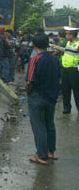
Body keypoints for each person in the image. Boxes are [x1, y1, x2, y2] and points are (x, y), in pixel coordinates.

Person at [26, 33, 60, 165]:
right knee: (49, 124)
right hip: (51, 96)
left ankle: (41, 155)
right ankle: (50, 151)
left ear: (34, 45)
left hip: (38, 96)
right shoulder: (54, 59)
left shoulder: (35, 59)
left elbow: (29, 81)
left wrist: (29, 92)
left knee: (39, 125)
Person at [52, 27, 79, 114]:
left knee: (76, 90)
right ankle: (67, 108)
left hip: (74, 69)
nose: (66, 35)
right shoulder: (68, 43)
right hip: (65, 69)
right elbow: (66, 50)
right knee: (65, 89)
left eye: (67, 34)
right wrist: (56, 47)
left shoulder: (78, 43)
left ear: (73, 35)